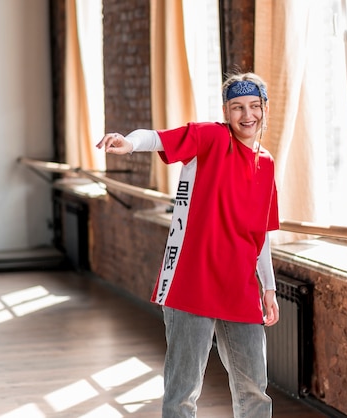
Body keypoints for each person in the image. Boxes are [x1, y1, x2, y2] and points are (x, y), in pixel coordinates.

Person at [96, 72, 280, 418]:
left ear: (265, 109)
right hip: (192, 283)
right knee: (182, 392)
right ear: (226, 111)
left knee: (255, 389)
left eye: (254, 106)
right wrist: (129, 143)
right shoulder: (210, 137)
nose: (247, 115)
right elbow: (157, 138)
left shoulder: (266, 163)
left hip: (239, 287)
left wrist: (268, 289)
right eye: (237, 107)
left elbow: (262, 235)